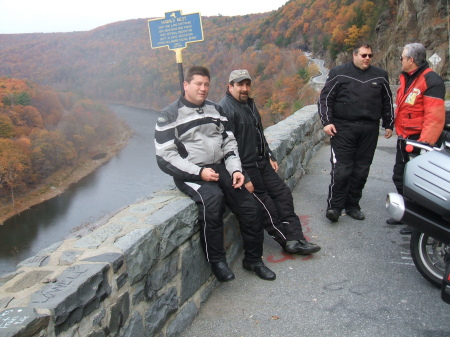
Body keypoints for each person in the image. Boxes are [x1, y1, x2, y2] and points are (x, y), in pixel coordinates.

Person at [154, 66, 276, 282]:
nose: (203, 89)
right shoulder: (169, 115)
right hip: (190, 173)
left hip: (220, 167)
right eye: (198, 84)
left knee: (250, 207)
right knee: (213, 200)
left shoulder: (215, 109)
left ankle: (253, 260)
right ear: (186, 85)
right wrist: (199, 173)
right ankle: (218, 261)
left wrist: (236, 170)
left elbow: (229, 142)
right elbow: (165, 157)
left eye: (206, 84)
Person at [219, 69, 321, 255]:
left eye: (247, 84)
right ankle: (287, 242)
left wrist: (270, 155)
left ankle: (298, 237)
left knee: (283, 194)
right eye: (240, 85)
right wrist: (244, 176)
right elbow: (226, 147)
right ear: (230, 86)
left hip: (261, 162)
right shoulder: (225, 109)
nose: (244, 88)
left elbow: (259, 133)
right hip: (246, 167)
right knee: (267, 206)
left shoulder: (249, 104)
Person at [318, 42, 394, 222]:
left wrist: (389, 124)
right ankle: (335, 207)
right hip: (343, 128)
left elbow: (387, 101)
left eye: (370, 55)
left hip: (369, 129)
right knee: (342, 170)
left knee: (361, 170)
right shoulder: (339, 73)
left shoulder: (380, 76)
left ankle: (353, 205)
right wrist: (326, 122)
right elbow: (325, 98)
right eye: (363, 55)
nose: (367, 58)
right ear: (354, 55)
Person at [388, 42, 445, 235]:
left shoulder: (431, 80)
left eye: (402, 58)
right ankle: (406, 214)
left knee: (418, 180)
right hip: (405, 137)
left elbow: (434, 117)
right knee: (400, 176)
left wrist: (424, 144)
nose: (400, 61)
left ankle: (417, 221)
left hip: (418, 140)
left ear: (411, 60)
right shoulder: (408, 78)